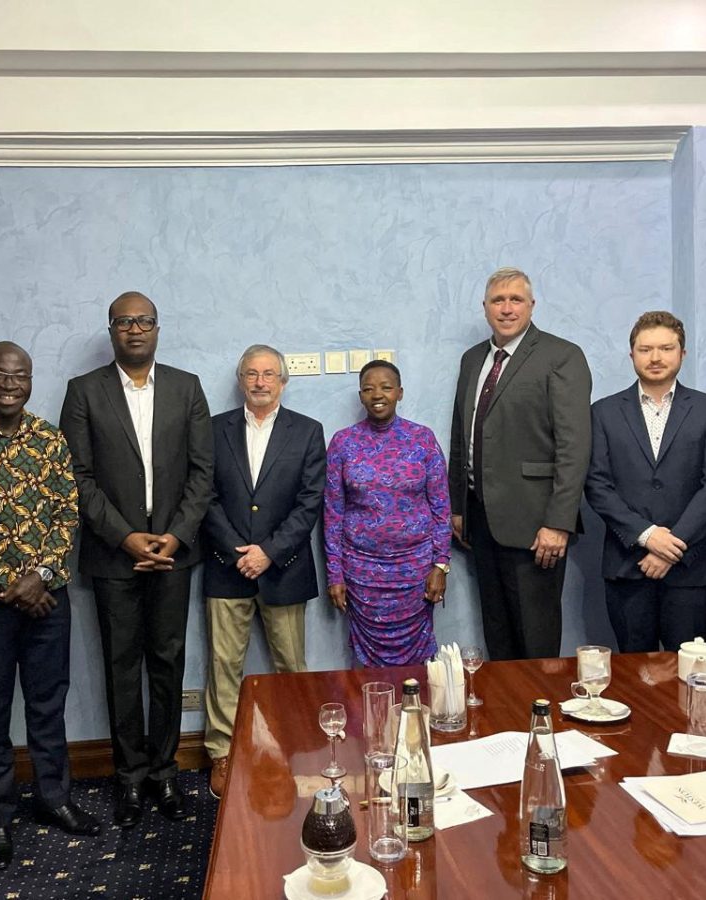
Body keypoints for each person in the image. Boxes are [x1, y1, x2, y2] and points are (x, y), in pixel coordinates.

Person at [0, 341, 99, 871]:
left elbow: (65, 516)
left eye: (20, 376)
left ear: (31, 380)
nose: (10, 385)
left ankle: (54, 798)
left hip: (47, 598)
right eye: (0, 375)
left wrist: (42, 576)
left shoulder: (50, 440)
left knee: (48, 703)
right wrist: (15, 583)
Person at [60, 291, 213, 824]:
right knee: (122, 669)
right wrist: (125, 537)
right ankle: (129, 779)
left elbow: (202, 473)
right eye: (124, 321)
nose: (135, 329)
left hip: (174, 554)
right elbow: (76, 477)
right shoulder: (84, 392)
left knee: (167, 665)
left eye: (144, 320)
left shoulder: (186, 387)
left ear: (157, 328)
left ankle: (164, 774)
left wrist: (174, 536)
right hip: (113, 556)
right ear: (111, 331)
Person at [448, 267, 592, 660]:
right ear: (485, 307)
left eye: (516, 300)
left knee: (536, 637)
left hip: (536, 525)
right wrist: (457, 507)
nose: (507, 308)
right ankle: (506, 714)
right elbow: (461, 434)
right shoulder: (473, 359)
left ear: (531, 306)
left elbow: (574, 446)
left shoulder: (561, 356)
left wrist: (558, 523)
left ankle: (540, 717)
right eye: (498, 300)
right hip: (480, 521)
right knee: (497, 632)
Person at [202, 344, 326, 799]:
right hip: (226, 565)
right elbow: (204, 495)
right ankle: (221, 751)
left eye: (268, 374)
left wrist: (268, 552)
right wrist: (238, 550)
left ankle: (295, 742)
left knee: (291, 665)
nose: (259, 382)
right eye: (251, 374)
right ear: (241, 380)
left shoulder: (308, 432)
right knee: (223, 665)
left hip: (285, 568)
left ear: (283, 382)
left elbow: (310, 501)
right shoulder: (213, 430)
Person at [585, 311, 706, 652]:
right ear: (631, 354)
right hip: (627, 564)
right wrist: (648, 536)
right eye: (645, 348)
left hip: (690, 568)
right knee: (635, 675)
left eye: (666, 348)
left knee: (690, 673)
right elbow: (596, 484)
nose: (655, 357)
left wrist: (672, 545)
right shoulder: (603, 412)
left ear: (682, 353)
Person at [324, 360, 451, 666]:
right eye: (368, 389)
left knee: (418, 665)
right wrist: (334, 574)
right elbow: (331, 513)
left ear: (400, 393)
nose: (376, 394)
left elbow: (442, 508)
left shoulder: (422, 439)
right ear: (360, 396)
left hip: (416, 570)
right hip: (361, 572)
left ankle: (416, 714)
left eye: (385, 387)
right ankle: (373, 713)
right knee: (368, 666)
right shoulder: (343, 442)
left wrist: (441, 565)